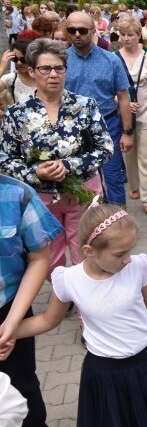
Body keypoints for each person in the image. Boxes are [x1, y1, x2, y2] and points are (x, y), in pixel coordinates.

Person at [6, 203, 147, 425]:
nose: (127, 258)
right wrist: (8, 331)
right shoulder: (69, 280)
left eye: (130, 250)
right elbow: (47, 320)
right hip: (105, 375)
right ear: (89, 252)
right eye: (120, 254)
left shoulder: (137, 266)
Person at [0, 37, 113, 278]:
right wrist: (34, 173)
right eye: (45, 68)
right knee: (50, 261)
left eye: (59, 68)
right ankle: (64, 298)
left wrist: (68, 165)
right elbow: (6, 158)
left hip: (82, 193)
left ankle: (89, 310)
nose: (53, 74)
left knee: (88, 256)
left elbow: (105, 148)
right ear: (31, 71)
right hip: (40, 199)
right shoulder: (18, 113)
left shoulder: (85, 106)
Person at [0, 174, 62, 426]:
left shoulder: (17, 194)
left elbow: (39, 257)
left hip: (9, 313)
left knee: (23, 394)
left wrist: (13, 323)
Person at [64, 11, 134, 206]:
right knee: (79, 179)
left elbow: (123, 96)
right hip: (73, 127)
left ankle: (118, 222)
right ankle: (89, 223)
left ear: (94, 31)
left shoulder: (111, 60)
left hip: (107, 123)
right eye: (72, 30)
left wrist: (127, 132)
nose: (77, 34)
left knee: (113, 176)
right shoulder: (60, 61)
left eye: (82, 30)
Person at [115, 18, 147, 215]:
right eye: (123, 34)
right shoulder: (114, 58)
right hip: (124, 113)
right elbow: (110, 88)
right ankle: (134, 185)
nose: (126, 38)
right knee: (129, 154)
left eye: (130, 35)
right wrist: (120, 102)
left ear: (139, 36)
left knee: (146, 156)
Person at [0, 38, 38, 105]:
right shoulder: (11, 78)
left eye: (23, 60)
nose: (19, 63)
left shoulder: (44, 76)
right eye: (15, 59)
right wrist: (2, 68)